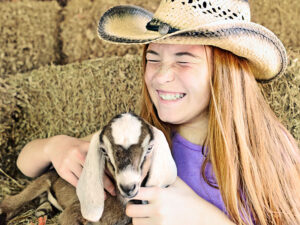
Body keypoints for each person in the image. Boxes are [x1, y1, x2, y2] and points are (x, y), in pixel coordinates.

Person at [17, 0, 300, 224]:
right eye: (153, 59)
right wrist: (55, 146)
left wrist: (200, 218)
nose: (161, 76)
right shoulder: (141, 137)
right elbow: (25, 162)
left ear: (225, 72)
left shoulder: (272, 154)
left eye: (184, 60)